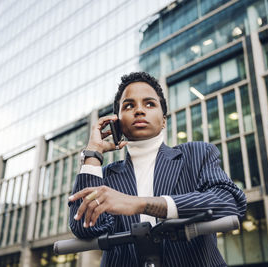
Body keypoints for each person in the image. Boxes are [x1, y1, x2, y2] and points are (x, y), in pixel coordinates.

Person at [68, 72, 246, 267]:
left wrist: (141, 204)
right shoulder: (105, 178)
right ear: (116, 123)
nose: (139, 110)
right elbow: (83, 226)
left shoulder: (197, 154)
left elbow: (231, 203)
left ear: (163, 120)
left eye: (149, 104)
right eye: (129, 105)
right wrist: (93, 153)